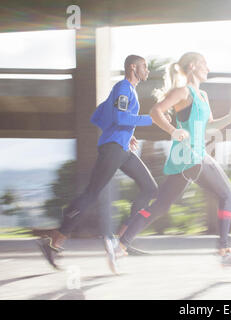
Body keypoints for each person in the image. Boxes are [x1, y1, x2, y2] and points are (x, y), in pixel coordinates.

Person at [118, 52, 231, 266]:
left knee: (160, 206)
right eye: (205, 64)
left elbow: (208, 126)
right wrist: (173, 131)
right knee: (228, 194)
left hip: (186, 159)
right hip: (193, 155)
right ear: (194, 66)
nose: (208, 68)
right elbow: (155, 112)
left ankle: (120, 245)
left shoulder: (202, 96)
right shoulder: (183, 92)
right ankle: (224, 250)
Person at [37, 55, 158, 273]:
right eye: (144, 67)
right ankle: (55, 241)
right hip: (113, 150)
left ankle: (121, 240)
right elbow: (120, 118)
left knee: (150, 187)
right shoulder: (123, 87)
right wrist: (150, 119)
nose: (147, 71)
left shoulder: (126, 90)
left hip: (121, 148)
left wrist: (124, 133)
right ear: (133, 67)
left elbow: (98, 116)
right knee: (91, 195)